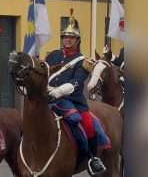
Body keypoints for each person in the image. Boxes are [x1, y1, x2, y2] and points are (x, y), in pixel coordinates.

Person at [46, 15, 106, 175]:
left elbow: (77, 83)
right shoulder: (52, 55)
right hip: (49, 98)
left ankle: (94, 159)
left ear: (77, 40)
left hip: (73, 101)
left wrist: (59, 91)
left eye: (72, 38)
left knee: (88, 124)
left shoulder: (83, 61)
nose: (68, 40)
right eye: (65, 37)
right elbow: (44, 74)